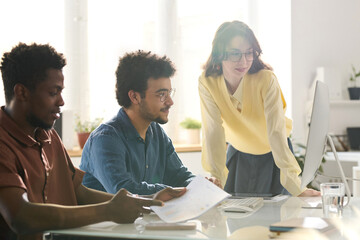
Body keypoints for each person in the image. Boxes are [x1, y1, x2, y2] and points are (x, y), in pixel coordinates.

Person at [0, 43, 186, 240]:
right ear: (21, 93)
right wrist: (107, 211)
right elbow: (21, 216)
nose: (62, 101)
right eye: (53, 92)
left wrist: (148, 201)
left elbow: (78, 192)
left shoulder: (48, 135)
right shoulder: (3, 141)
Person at [199, 20, 319, 197]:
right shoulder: (207, 82)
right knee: (235, 216)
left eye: (249, 53)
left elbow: (276, 132)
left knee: (278, 218)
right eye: (235, 54)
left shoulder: (266, 80)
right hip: (238, 154)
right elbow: (213, 132)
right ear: (219, 54)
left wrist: (296, 186)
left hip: (275, 155)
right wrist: (216, 177)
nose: (244, 61)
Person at [80, 50, 221, 195]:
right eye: (161, 94)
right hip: (108, 218)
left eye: (169, 93)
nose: (170, 102)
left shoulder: (156, 132)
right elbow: (125, 192)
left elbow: (179, 176)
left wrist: (202, 184)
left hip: (144, 218)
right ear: (134, 97)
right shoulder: (105, 139)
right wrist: (178, 190)